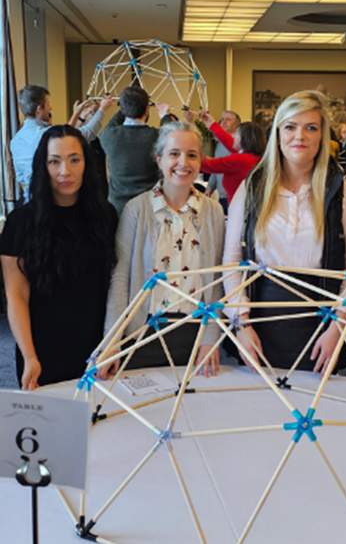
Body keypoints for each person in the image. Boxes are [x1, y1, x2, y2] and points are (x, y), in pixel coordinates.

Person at [223, 90, 346, 372]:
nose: (299, 136)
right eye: (290, 126)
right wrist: (240, 323)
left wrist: (338, 327)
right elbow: (231, 258)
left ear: (322, 137)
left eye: (310, 128)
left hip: (321, 330)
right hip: (258, 327)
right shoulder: (252, 189)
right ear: (277, 133)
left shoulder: (345, 193)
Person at [100, 121, 225, 377]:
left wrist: (210, 338)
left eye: (192, 155)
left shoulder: (213, 211)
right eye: (174, 154)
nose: (183, 162)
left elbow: (217, 279)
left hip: (195, 332)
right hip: (143, 332)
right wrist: (111, 341)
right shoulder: (137, 209)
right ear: (159, 159)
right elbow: (121, 277)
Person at [1, 125, 117, 388]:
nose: (65, 171)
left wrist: (111, 344)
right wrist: (30, 356)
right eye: (55, 161)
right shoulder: (20, 222)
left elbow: (113, 285)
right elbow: (16, 295)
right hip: (41, 347)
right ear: (43, 166)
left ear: (87, 163)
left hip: (94, 347)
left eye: (74, 160)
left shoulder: (106, 216)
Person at [10, 85, 111, 194]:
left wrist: (78, 115)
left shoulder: (15, 140)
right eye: (48, 104)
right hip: (50, 198)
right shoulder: (45, 135)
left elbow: (65, 133)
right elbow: (86, 133)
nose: (51, 108)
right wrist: (102, 109)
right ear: (39, 109)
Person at [99, 86, 169, 214]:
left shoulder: (109, 136)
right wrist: (165, 115)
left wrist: (125, 107)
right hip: (150, 209)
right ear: (147, 110)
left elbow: (112, 123)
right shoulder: (156, 137)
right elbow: (171, 135)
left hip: (117, 210)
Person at [200, 113, 265, 206]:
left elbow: (207, 165)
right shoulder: (254, 156)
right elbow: (227, 141)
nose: (233, 136)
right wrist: (211, 124)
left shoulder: (240, 160)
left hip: (238, 209)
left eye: (236, 134)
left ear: (244, 138)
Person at [206, 110, 241, 211]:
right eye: (222, 120)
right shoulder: (219, 144)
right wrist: (210, 187)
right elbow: (217, 167)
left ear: (237, 125)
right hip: (222, 197)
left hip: (236, 197)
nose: (223, 122)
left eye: (228, 119)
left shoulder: (239, 145)